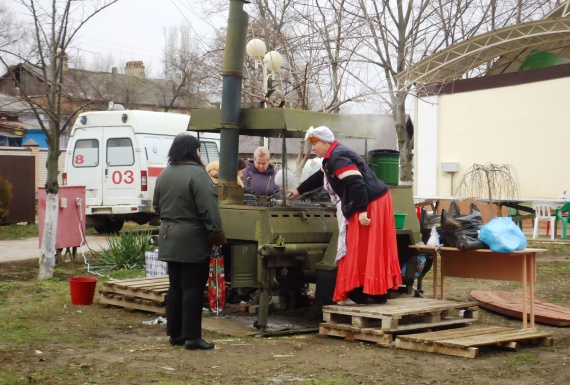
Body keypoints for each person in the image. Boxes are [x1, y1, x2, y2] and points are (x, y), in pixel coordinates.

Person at [287, 126, 401, 305]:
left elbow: (356, 183)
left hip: (369, 201)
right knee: (371, 246)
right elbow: (321, 175)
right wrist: (299, 190)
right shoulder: (331, 157)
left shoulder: (337, 157)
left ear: (325, 142)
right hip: (376, 198)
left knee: (359, 246)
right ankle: (377, 293)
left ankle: (359, 294)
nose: (313, 148)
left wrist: (362, 211)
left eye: (315, 143)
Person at [153, 133, 227, 350]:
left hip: (168, 237)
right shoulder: (198, 175)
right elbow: (209, 210)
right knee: (193, 288)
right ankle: (193, 337)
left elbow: (156, 206)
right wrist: (217, 237)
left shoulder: (164, 174)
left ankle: (175, 334)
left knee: (175, 287)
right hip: (192, 239)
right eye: (198, 150)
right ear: (193, 151)